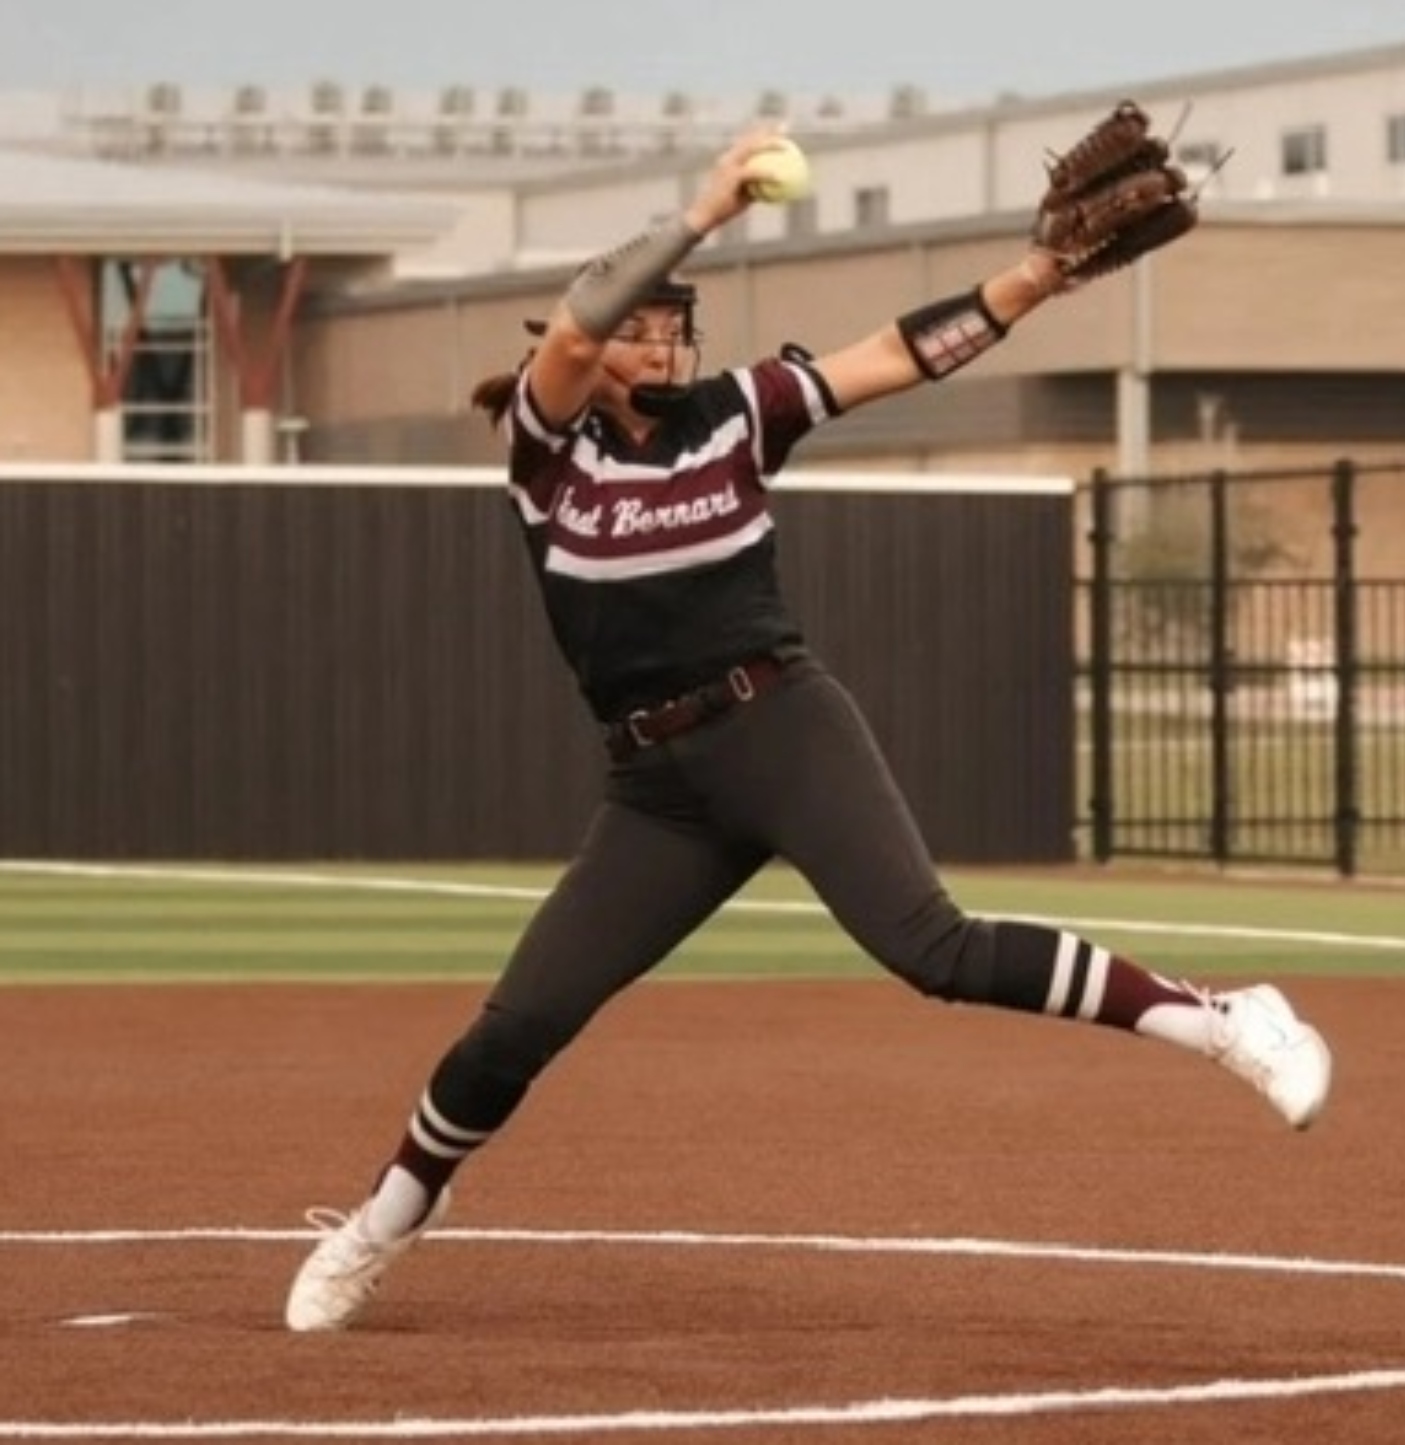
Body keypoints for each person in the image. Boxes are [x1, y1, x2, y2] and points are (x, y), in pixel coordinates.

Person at [285, 127, 1333, 1332]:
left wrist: (1031, 282)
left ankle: (1229, 1020)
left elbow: (897, 353)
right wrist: (704, 210)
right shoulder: (547, 452)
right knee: (515, 1028)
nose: (663, 336)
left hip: (776, 719)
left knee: (931, 945)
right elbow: (574, 331)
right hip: (656, 787)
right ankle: (377, 1225)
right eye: (646, 322)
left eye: (673, 320)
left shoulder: (736, 415)